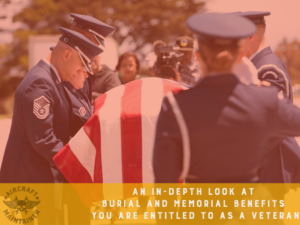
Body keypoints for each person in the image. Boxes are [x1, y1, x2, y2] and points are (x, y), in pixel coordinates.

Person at [153, 12, 300, 183]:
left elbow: (165, 181)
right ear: (239, 56)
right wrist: (257, 89)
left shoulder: (174, 105)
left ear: (198, 56)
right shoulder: (263, 99)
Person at [0, 28, 102, 183]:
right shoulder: (40, 83)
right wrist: (79, 164)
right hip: (26, 180)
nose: (81, 71)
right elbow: (44, 139)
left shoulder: (51, 79)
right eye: (81, 64)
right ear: (66, 55)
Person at [237, 11, 300, 185]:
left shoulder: (267, 68)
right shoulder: (258, 65)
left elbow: (275, 125)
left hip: (272, 165)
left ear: (250, 36)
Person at [69, 13, 116, 102]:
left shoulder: (84, 72)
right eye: (93, 47)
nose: (94, 55)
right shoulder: (67, 71)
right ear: (81, 37)